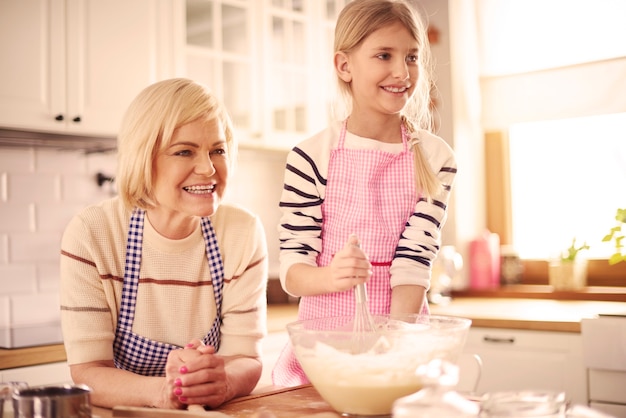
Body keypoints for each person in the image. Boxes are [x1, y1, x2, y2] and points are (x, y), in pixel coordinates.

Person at [272, 0, 457, 386]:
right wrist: (332, 276)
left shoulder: (436, 156)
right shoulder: (311, 156)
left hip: (399, 346)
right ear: (344, 66)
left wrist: (392, 344)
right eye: (383, 55)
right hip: (323, 352)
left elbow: (414, 261)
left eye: (411, 57)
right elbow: (292, 271)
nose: (401, 72)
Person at [59, 78, 268, 409]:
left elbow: (246, 358)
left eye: (218, 150)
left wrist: (222, 383)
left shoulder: (242, 232)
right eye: (184, 151)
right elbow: (88, 372)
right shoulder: (93, 232)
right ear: (143, 158)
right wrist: (163, 393)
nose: (208, 167)